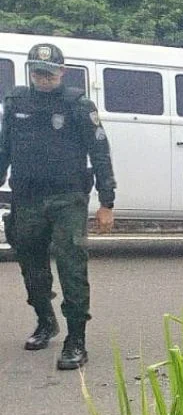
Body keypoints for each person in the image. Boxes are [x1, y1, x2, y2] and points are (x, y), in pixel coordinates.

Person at [0, 42, 116, 370]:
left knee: (72, 269)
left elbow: (100, 153)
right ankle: (46, 320)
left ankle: (76, 340)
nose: (43, 78)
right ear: (30, 71)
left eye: (50, 73)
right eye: (37, 71)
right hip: (26, 199)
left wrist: (107, 202)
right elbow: (4, 148)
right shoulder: (16, 102)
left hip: (68, 200)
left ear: (61, 72)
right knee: (32, 268)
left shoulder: (78, 106)